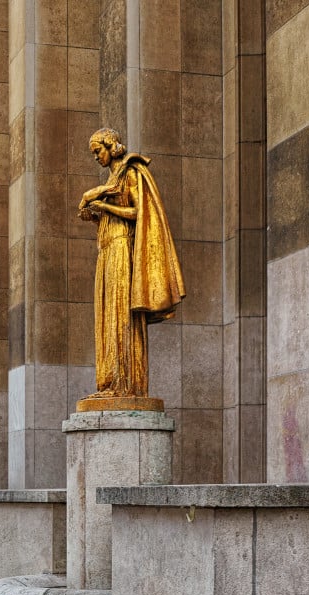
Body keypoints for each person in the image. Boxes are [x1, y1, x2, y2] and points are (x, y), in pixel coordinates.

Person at [78, 128, 185, 399]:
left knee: (120, 314)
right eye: (92, 153)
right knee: (107, 316)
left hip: (122, 249)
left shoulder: (131, 171)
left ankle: (125, 385)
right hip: (107, 251)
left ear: (110, 146)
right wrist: (94, 215)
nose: (95, 157)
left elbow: (139, 212)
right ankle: (108, 383)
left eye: (97, 151)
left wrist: (104, 206)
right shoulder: (112, 179)